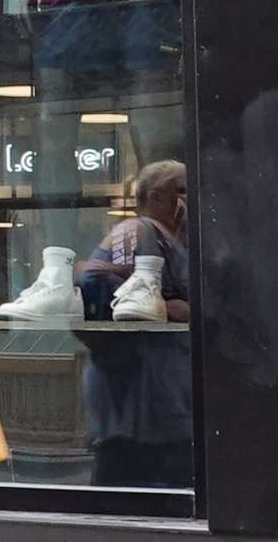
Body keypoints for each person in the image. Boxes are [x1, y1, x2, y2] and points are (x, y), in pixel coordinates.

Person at [76, 159, 194, 487]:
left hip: (164, 394)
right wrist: (164, 307)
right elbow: (92, 283)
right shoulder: (136, 230)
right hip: (135, 396)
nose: (188, 198)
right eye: (181, 190)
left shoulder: (175, 239)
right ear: (156, 197)